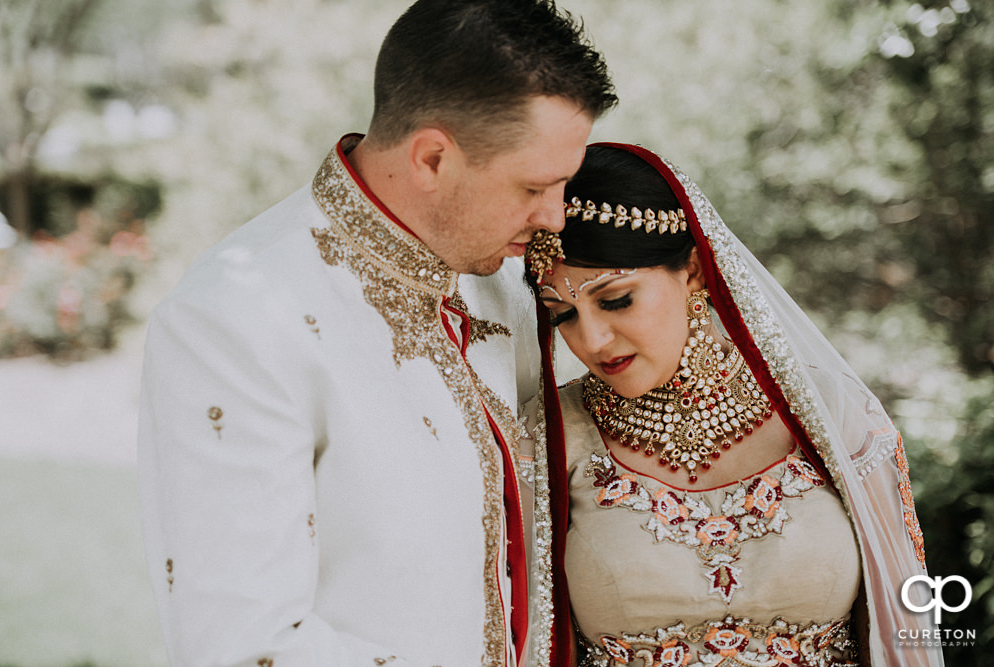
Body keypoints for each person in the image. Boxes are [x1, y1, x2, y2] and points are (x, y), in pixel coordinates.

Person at [137, 2, 616, 665]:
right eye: (535, 185)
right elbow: (246, 645)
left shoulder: (499, 276)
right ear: (430, 158)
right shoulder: (232, 322)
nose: (555, 216)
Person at [520, 143, 944, 666]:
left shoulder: (831, 413)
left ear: (694, 270)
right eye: (563, 314)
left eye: (616, 299)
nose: (593, 339)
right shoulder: (551, 435)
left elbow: (904, 628)